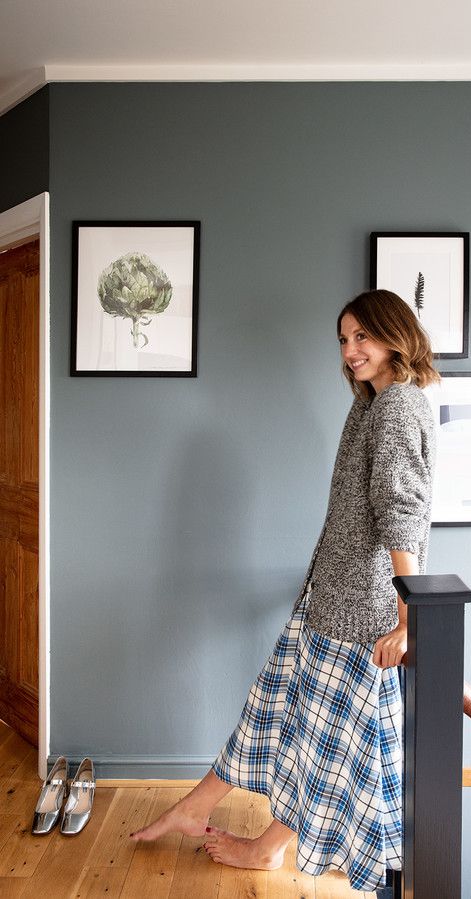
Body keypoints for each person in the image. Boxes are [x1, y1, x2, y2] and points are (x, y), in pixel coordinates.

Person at [131, 288, 439, 892]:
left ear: (395, 336)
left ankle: (261, 843)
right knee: (281, 715)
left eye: (362, 337)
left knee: (322, 744)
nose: (350, 351)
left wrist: (408, 619)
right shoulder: (377, 405)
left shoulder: (399, 405)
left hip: (359, 611)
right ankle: (208, 812)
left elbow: (402, 512)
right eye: (344, 340)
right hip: (328, 597)